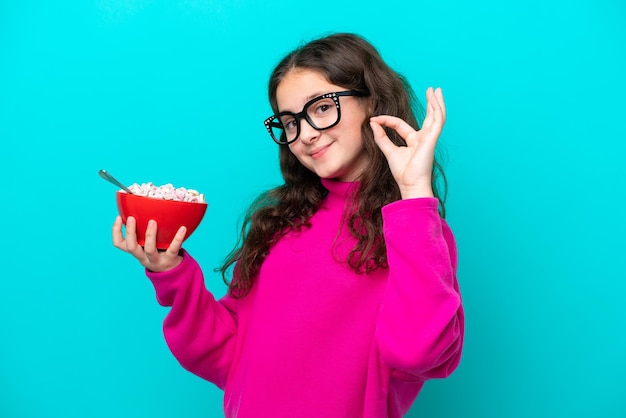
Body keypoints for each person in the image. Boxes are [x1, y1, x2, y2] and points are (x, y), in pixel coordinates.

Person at [112, 32, 464, 418]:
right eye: (290, 121)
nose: (307, 134)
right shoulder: (283, 223)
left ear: (370, 101)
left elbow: (418, 353)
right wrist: (172, 273)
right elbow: (226, 354)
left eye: (322, 108)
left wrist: (414, 194)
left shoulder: (417, 232)